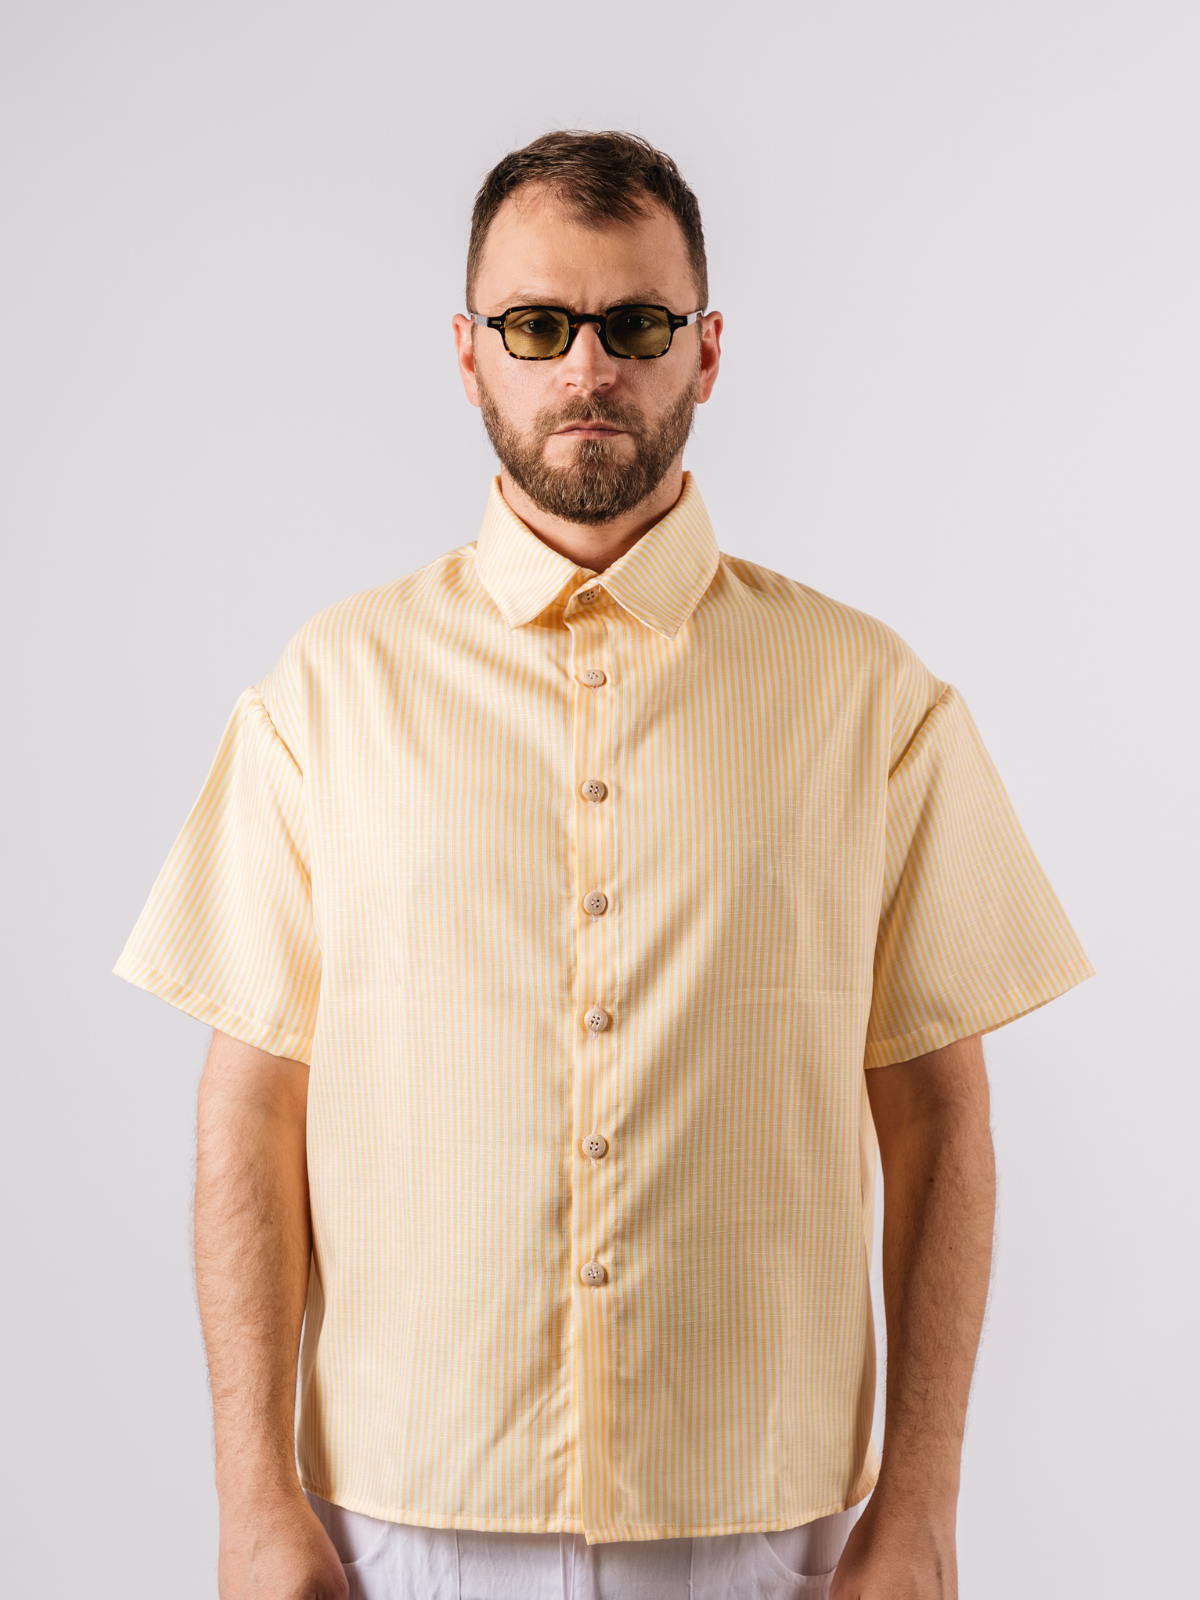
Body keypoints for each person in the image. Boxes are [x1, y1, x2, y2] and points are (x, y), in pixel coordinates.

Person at [115, 130, 1093, 1600]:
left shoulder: (868, 699)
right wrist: (252, 1495)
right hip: (399, 1522)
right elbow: (251, 1109)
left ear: (707, 351)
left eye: (636, 325)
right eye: (537, 326)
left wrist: (924, 1503)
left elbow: (940, 1118)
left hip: (758, 1526)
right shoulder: (328, 693)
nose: (588, 369)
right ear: (469, 355)